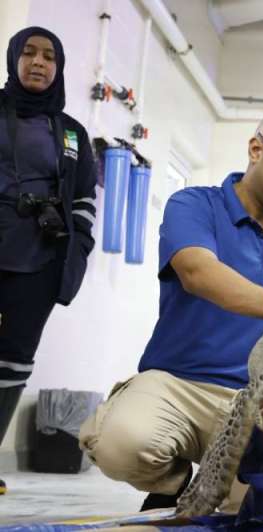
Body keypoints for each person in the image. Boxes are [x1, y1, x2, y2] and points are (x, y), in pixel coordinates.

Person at [79, 107, 263, 511]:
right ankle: (172, 485)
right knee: (121, 443)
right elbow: (197, 272)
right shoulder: (195, 205)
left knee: (261, 508)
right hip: (179, 385)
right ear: (255, 150)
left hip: (260, 403)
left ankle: (225, 492)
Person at [0, 27, 97, 496]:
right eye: (30, 53)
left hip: (39, 261)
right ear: (13, 59)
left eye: (49, 57)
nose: (39, 63)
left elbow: (84, 198)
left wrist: (75, 251)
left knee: (14, 362)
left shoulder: (72, 131)